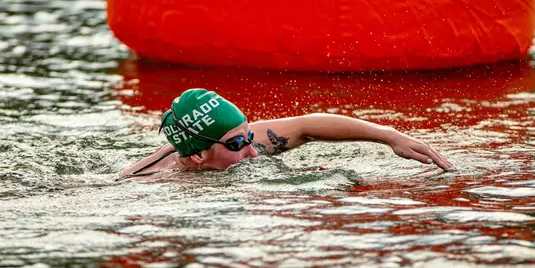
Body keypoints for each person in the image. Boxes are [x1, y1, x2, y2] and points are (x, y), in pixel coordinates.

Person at [117, 88, 454, 181]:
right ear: (196, 156)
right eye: (237, 144)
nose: (252, 151)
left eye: (249, 135)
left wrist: (388, 135)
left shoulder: (230, 143)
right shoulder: (151, 183)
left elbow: (307, 126)